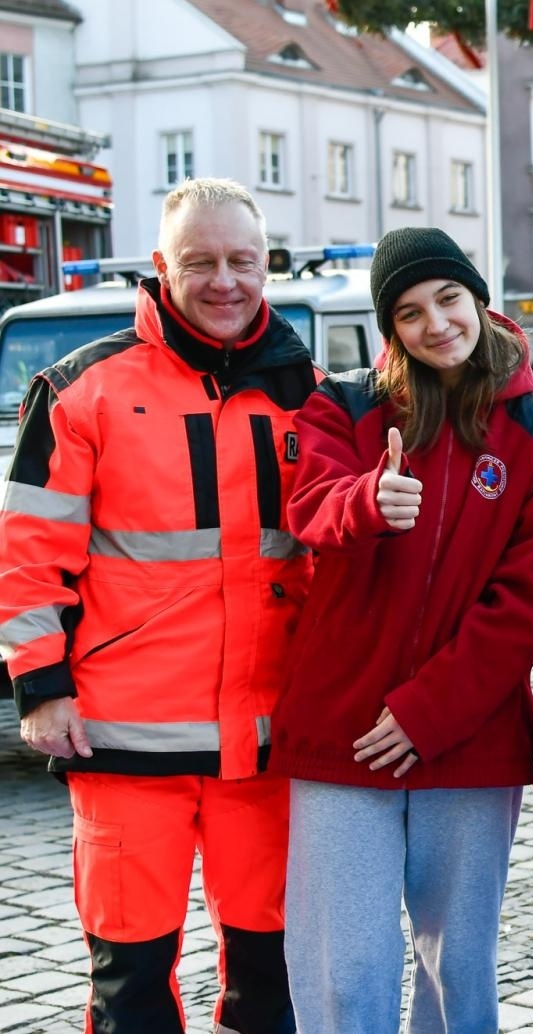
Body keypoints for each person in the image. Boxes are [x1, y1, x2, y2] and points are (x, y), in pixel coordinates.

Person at [0, 178, 313, 1032]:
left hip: (268, 741)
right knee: (131, 981)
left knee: (271, 977)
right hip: (124, 738)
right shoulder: (80, 390)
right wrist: (42, 687)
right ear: (160, 268)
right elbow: (29, 557)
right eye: (200, 262)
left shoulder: (307, 393)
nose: (225, 281)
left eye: (242, 262)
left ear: (266, 264)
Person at [269, 227, 533, 1033]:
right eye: (409, 312)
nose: (436, 323)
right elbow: (312, 504)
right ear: (390, 328)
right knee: (348, 967)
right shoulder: (345, 403)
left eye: (448, 299)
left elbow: (526, 602)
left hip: (466, 739)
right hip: (342, 730)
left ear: (479, 300)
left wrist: (427, 712)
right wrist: (369, 503)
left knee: (459, 968)